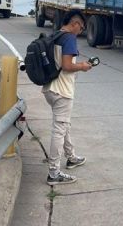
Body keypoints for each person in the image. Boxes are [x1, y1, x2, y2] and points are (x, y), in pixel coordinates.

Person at [43, 10, 93, 185]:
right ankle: (54, 173)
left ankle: (71, 157)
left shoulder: (56, 35)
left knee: (64, 125)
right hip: (62, 90)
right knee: (59, 129)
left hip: (50, 88)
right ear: (75, 23)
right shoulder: (69, 38)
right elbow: (66, 65)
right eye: (81, 28)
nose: (80, 32)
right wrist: (82, 66)